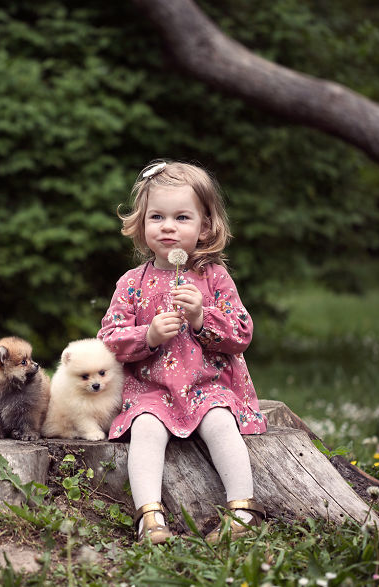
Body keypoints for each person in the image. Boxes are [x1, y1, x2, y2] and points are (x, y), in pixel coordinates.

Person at [97, 160, 267, 544]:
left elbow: (241, 332)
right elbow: (107, 340)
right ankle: (150, 517)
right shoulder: (131, 283)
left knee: (222, 424)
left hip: (209, 386)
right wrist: (149, 335)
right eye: (157, 216)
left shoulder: (213, 277)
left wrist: (200, 317)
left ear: (204, 226)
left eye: (181, 217)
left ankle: (242, 510)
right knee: (144, 429)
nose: (168, 226)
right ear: (141, 224)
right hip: (150, 391)